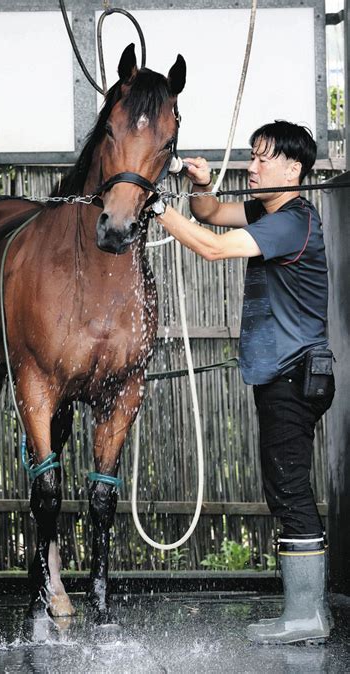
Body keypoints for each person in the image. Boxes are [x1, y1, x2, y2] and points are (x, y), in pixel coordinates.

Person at [153, 120, 335, 645]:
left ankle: (307, 616)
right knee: (284, 486)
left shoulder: (293, 222)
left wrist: (157, 209)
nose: (252, 167)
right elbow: (208, 213)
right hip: (280, 373)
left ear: (293, 169)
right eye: (251, 156)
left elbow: (210, 246)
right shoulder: (267, 211)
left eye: (262, 158)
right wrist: (202, 187)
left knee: (289, 489)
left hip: (294, 375)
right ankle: (303, 611)